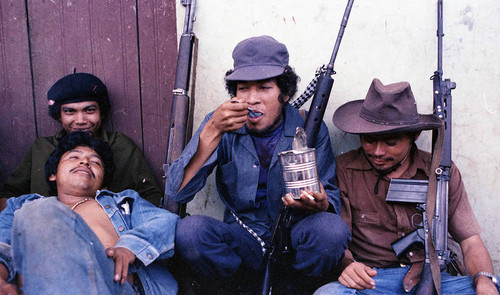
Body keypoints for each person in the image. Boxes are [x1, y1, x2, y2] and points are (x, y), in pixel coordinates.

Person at [165, 35, 350, 294]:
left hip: (293, 240)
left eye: (264, 87)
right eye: (243, 88)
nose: (252, 99)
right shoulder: (220, 123)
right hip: (243, 240)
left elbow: (330, 201)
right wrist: (213, 131)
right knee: (189, 232)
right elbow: (176, 191)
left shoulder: (309, 127)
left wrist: (320, 204)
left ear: (284, 93)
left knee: (331, 231)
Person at [314, 78, 500, 295]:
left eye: (391, 142)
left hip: (436, 278)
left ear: (415, 136)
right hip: (373, 281)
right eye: (368, 140)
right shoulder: (345, 170)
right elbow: (336, 238)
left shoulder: (440, 172)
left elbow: (469, 240)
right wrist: (347, 266)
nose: (377, 151)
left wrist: (484, 280)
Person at [0, 131, 179, 294]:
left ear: (103, 184)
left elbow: (165, 220)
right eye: (74, 157)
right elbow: (3, 244)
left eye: (95, 162)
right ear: (53, 174)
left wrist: (130, 247)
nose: (85, 162)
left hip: (111, 287)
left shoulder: (123, 203)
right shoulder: (22, 207)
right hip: (41, 286)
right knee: (37, 210)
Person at [0, 72, 163, 210]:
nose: (80, 120)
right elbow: (9, 194)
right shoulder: (41, 148)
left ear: (102, 112)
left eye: (89, 110)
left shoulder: (121, 146)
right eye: (70, 112)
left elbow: (151, 194)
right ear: (59, 115)